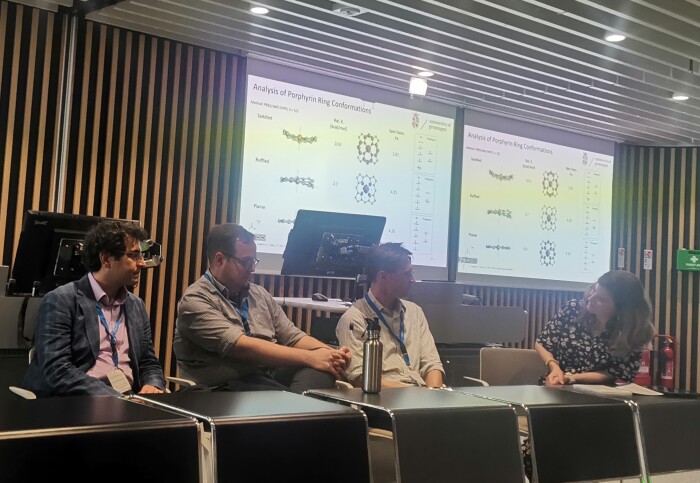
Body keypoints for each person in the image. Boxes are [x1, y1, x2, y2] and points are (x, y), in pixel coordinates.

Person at [173, 223, 352, 393]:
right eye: (246, 262)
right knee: (302, 377)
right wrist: (310, 357)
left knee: (323, 369)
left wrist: (331, 354)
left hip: (266, 375)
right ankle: (296, 409)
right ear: (220, 259)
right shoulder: (195, 300)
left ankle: (294, 408)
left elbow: (292, 336)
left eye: (254, 261)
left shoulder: (259, 294)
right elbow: (242, 347)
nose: (252, 268)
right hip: (223, 386)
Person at [22, 221, 166, 397]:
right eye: (134, 255)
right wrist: (114, 397)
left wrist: (153, 384)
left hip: (128, 400)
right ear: (106, 260)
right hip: (77, 400)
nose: (142, 263)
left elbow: (148, 362)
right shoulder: (61, 300)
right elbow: (57, 369)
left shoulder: (136, 305)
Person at [336, 242, 445, 388]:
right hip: (384, 397)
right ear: (383, 277)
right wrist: (416, 394)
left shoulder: (415, 312)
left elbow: (432, 364)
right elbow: (360, 378)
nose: (412, 280)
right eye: (407, 274)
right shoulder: (354, 319)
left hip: (421, 395)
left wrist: (433, 393)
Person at [535, 269, 654, 386]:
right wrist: (554, 366)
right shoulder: (573, 309)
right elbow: (543, 343)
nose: (590, 299)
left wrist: (571, 378)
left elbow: (614, 372)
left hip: (599, 392)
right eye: (594, 290)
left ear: (620, 309)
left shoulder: (632, 332)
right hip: (557, 384)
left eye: (601, 299)